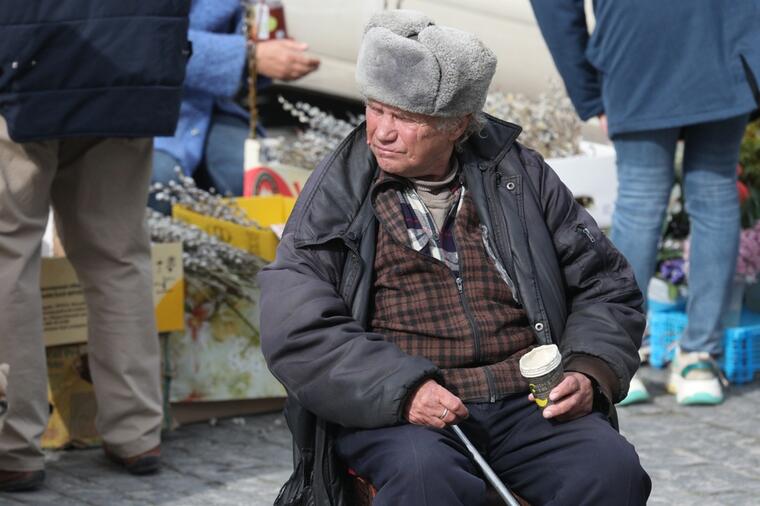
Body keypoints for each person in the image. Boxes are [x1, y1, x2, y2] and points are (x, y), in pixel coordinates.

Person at [259, 9, 651, 505]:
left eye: (404, 117)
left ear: (458, 125)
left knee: (610, 471)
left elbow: (604, 285)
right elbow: (295, 325)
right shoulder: (340, 190)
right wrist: (401, 389)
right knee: (426, 480)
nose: (381, 130)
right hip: (403, 405)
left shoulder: (519, 175)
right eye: (375, 108)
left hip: (523, 399)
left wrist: (589, 370)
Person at [0, 0, 190, 492]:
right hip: (129, 60)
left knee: (8, 254)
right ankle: (136, 432)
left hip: (24, 58)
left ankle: (12, 444)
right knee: (118, 255)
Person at [530, 0, 760, 406]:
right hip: (726, 41)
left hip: (639, 47)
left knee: (641, 199)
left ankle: (618, 357)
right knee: (713, 193)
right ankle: (699, 358)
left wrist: (587, 91)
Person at [149, 0, 320, 213]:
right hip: (143, 112)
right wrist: (247, 55)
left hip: (208, 111)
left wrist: (266, 52)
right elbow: (144, 43)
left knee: (263, 181)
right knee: (161, 180)